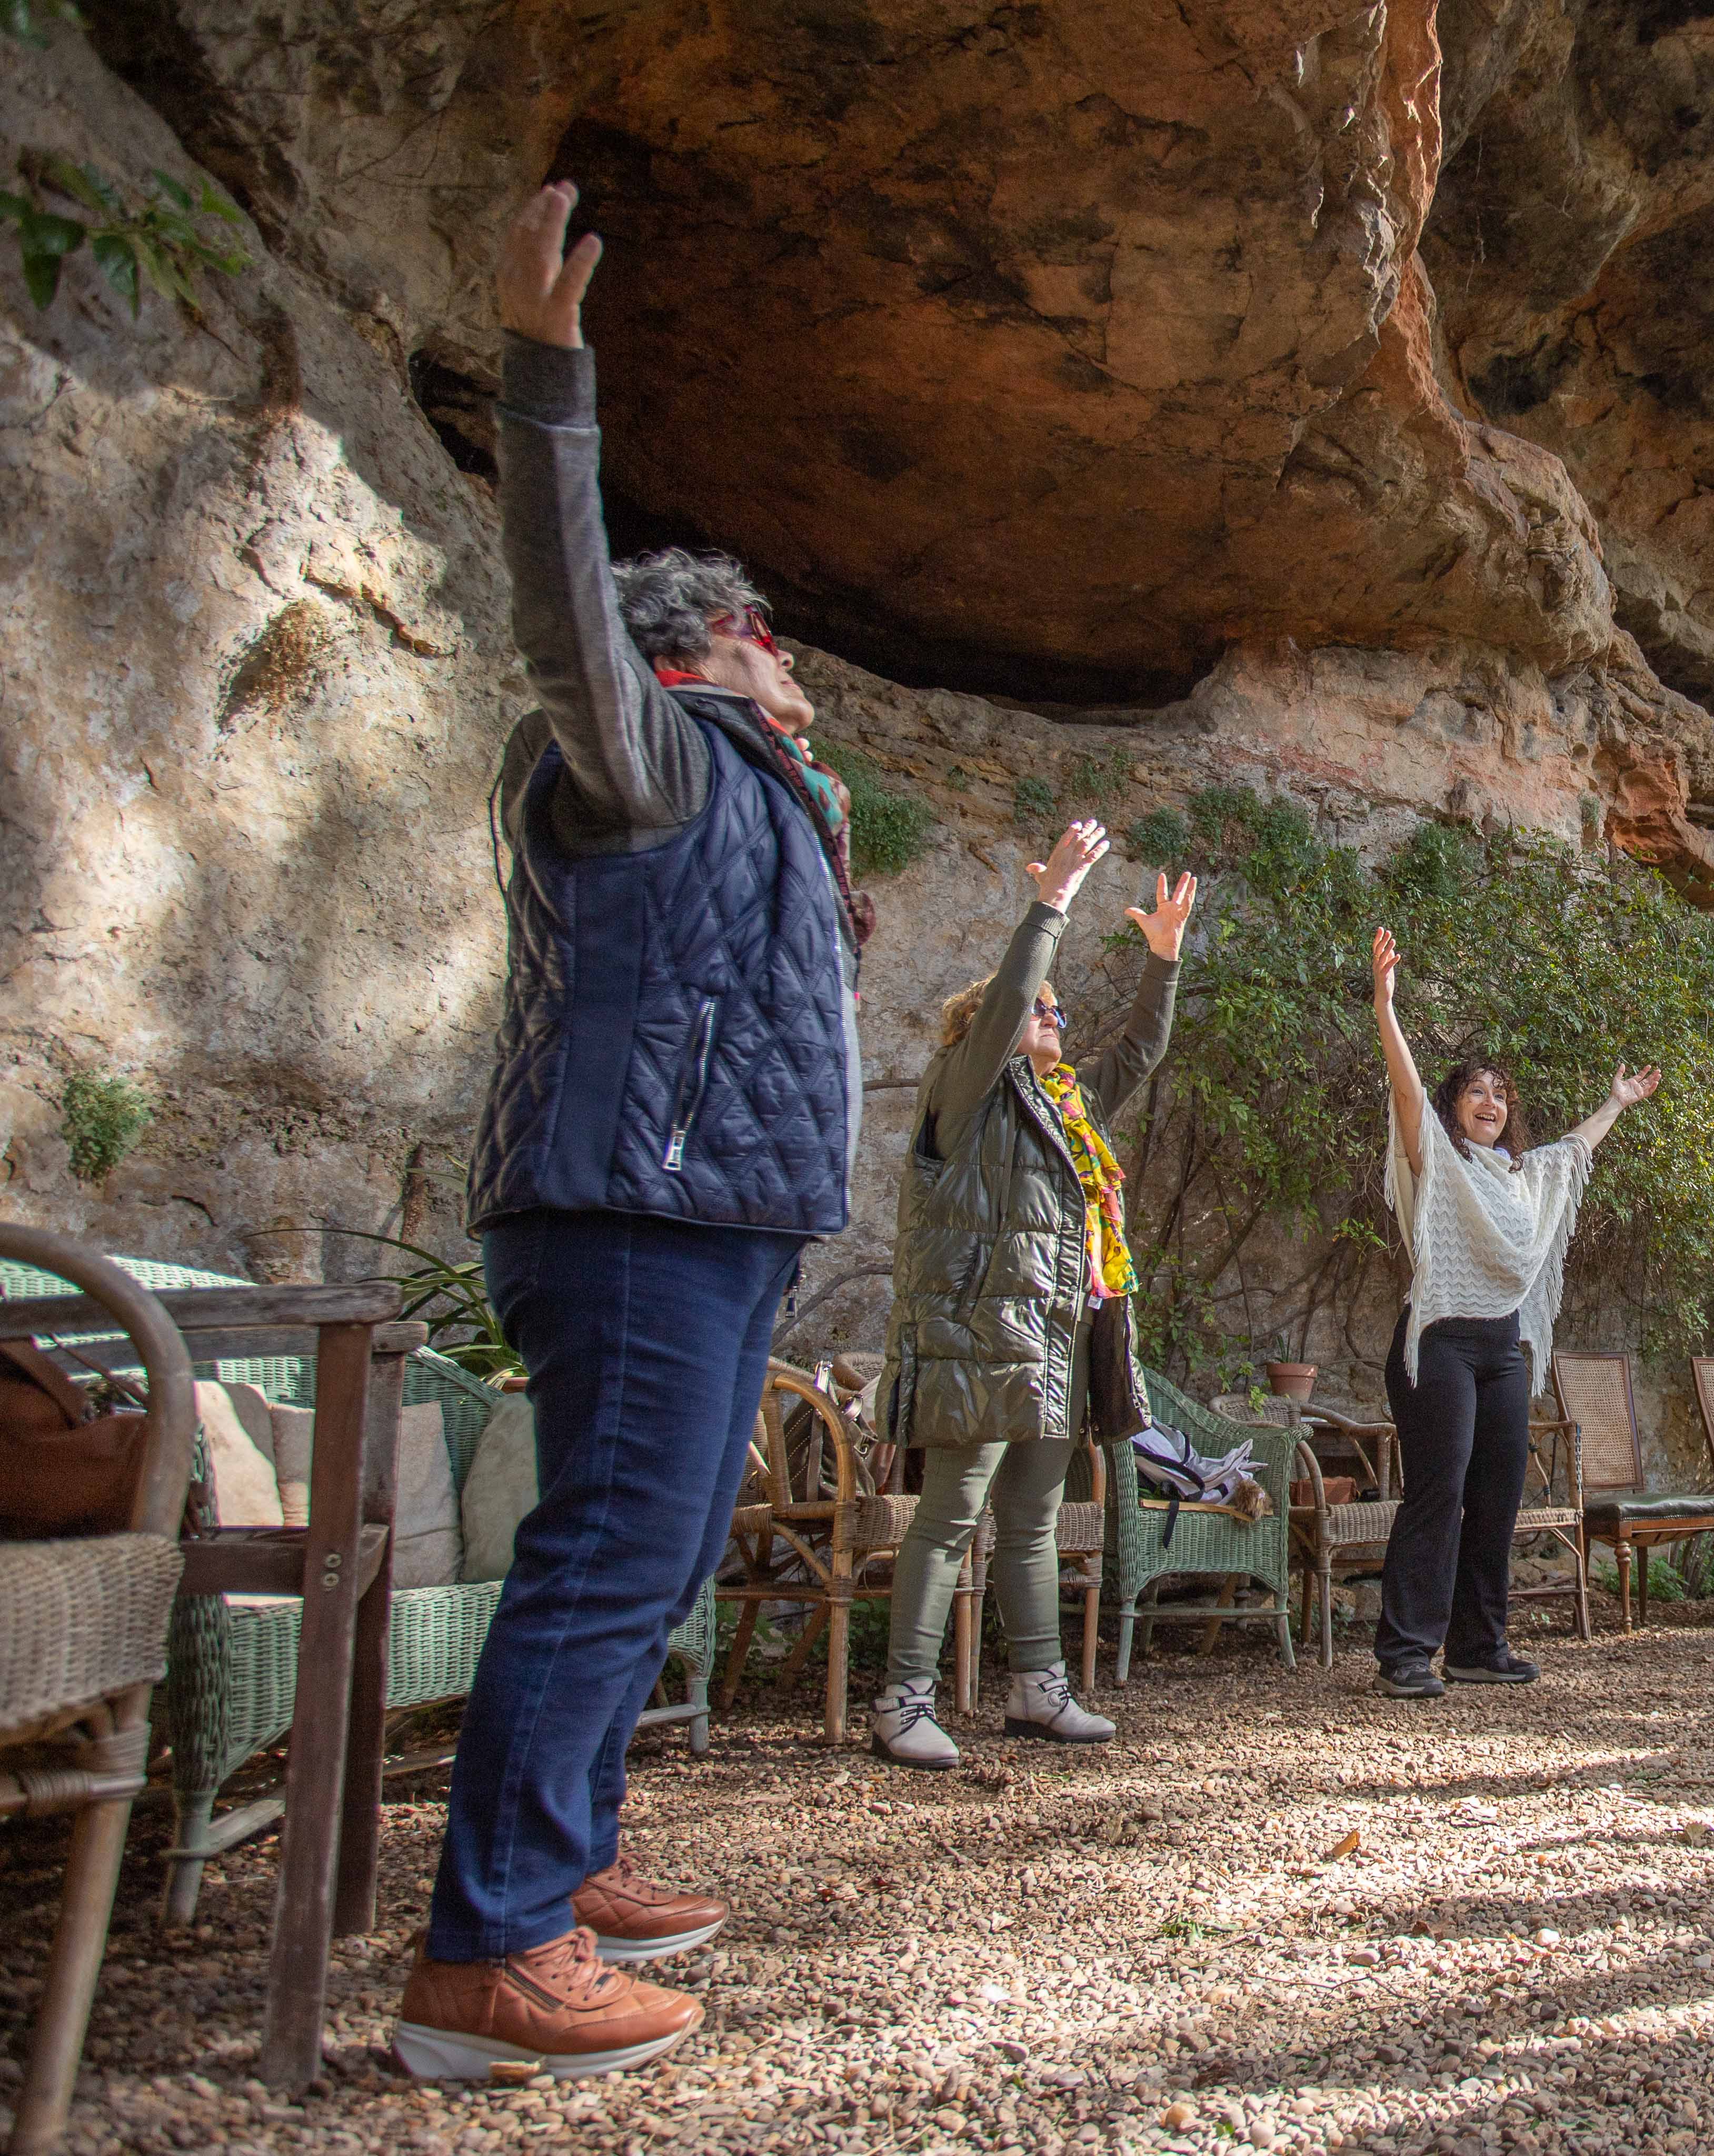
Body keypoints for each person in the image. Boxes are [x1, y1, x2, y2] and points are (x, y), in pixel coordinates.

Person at [400, 184, 867, 2080]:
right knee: (611, 1552)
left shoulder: (753, 789)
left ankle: (563, 1861)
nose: (795, 659)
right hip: (635, 1214)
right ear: (705, 645)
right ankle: (486, 1955)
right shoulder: (651, 743)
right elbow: (563, 606)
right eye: (770, 632)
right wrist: (544, 383)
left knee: (656, 1552)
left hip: (707, 1216)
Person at [866, 832, 1197, 1770]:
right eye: (1039, 1009)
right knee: (948, 1516)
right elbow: (1012, 992)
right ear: (985, 1029)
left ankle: (1036, 1689)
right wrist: (1050, 904)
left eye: (1056, 1008)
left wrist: (1163, 960)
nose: (1052, 1014)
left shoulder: (1063, 1106)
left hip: (1053, 1341)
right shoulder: (965, 1090)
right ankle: (901, 1700)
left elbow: (1138, 1050)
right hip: (978, 1333)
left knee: (1033, 1522)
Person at [1370, 927, 1658, 1699]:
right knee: (1440, 1489)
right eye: (1475, 1091)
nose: (1490, 1102)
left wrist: (1616, 1103)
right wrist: (1385, 1009)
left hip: (1504, 1348)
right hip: (1437, 1342)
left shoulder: (1524, 1176)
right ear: (1453, 1109)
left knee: (1498, 1494)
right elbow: (1404, 1090)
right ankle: (1405, 1653)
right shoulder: (1435, 1161)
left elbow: (1574, 1152)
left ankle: (1477, 1647)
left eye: (1501, 1093)